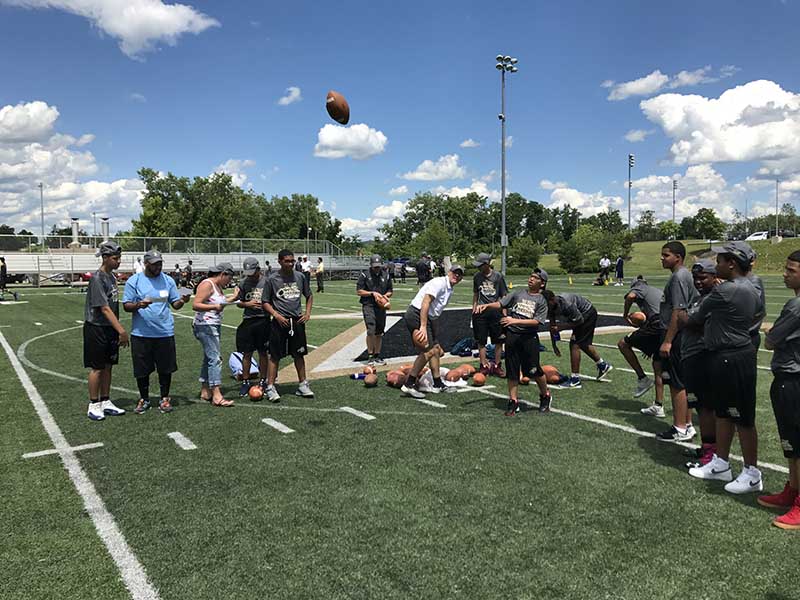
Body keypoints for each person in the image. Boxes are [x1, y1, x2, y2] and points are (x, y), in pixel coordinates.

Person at [687, 242, 761, 494]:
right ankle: (721, 463)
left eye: (719, 260)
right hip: (727, 355)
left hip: (732, 357)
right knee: (724, 412)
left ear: (732, 263)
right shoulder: (749, 286)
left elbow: (695, 316)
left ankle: (751, 472)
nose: (716, 264)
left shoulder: (727, 290)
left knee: (742, 418)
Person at [758, 250, 800, 528]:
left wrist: (771, 333)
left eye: (791, 270)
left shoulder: (795, 306)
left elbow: (770, 341)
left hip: (793, 379)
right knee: (792, 444)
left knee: (797, 443)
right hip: (790, 379)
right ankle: (793, 489)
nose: (784, 274)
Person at [122, 249, 191, 414]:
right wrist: (139, 305)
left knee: (165, 368)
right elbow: (126, 305)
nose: (158, 267)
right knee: (142, 369)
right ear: (146, 264)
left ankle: (164, 398)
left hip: (164, 332)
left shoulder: (168, 280)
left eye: (160, 263)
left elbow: (175, 304)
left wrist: (183, 299)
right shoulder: (135, 281)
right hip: (141, 333)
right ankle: (144, 398)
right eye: (154, 264)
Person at [478, 268, 551, 415]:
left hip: (528, 338)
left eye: (535, 278)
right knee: (512, 370)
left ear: (542, 284)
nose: (531, 279)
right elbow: (501, 303)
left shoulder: (541, 301)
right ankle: (513, 401)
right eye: (531, 276)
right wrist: (487, 305)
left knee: (534, 370)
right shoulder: (518, 293)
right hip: (512, 336)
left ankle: (545, 395)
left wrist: (513, 320)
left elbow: (537, 321)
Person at [655, 241, 699, 442]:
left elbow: (678, 311)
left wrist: (668, 340)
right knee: (680, 381)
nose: (662, 258)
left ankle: (680, 427)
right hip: (680, 334)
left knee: (676, 382)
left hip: (677, 335)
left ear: (678, 257)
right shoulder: (680, 276)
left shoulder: (679, 277)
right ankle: (687, 424)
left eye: (666, 255)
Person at [400, 265, 465, 399]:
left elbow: (435, 313)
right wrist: (423, 326)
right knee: (428, 351)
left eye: (459, 274)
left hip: (427, 317)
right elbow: (425, 302)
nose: (456, 276)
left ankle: (437, 383)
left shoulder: (449, 289)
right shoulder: (439, 283)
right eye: (455, 273)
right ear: (449, 272)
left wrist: (435, 335)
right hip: (417, 314)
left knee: (435, 349)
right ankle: (409, 383)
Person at [680, 260, 719, 468]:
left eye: (703, 277)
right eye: (695, 278)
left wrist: (687, 319)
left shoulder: (714, 298)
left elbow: (690, 321)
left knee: (706, 407)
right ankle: (708, 447)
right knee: (700, 407)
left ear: (715, 276)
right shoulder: (701, 298)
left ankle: (712, 452)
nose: (698, 282)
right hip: (692, 355)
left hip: (703, 355)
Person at [83, 241, 128, 421]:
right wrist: (122, 331)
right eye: (115, 258)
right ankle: (93, 404)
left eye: (119, 258)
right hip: (96, 328)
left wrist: (115, 330)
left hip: (109, 328)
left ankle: (105, 400)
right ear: (105, 258)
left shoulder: (111, 277)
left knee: (109, 366)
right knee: (97, 368)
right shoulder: (97, 278)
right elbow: (104, 308)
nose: (118, 262)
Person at [261, 249, 314, 402]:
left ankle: (303, 384)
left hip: (297, 321)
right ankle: (270, 386)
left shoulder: (300, 276)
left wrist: (308, 313)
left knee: (299, 354)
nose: (290, 263)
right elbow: (265, 302)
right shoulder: (272, 279)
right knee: (275, 355)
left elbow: (309, 295)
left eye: (292, 261)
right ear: (279, 261)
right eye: (287, 261)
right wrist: (276, 315)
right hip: (279, 322)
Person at [543, 290, 612, 388]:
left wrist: (562, 327)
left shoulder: (567, 304)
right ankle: (603, 365)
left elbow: (579, 321)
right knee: (583, 343)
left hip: (587, 313)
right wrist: (554, 345)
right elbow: (552, 326)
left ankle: (575, 379)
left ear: (552, 300)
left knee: (575, 344)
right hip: (579, 316)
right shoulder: (550, 307)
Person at [192, 262, 237, 407]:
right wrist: (213, 307)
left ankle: (205, 390)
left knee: (209, 358)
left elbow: (220, 302)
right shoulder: (207, 284)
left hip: (213, 324)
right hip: (205, 325)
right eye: (229, 278)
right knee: (215, 359)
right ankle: (216, 395)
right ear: (223, 274)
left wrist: (234, 297)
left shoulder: (217, 286)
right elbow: (196, 304)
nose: (229, 282)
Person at [618, 276, 665, 411]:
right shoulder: (654, 290)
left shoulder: (639, 288)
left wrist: (625, 315)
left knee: (623, 344)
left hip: (656, 324)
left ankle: (642, 378)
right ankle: (658, 405)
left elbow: (630, 297)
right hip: (664, 326)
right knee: (658, 366)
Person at [232, 257, 269, 398]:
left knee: (263, 352)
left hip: (263, 320)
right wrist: (247, 304)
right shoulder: (244, 283)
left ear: (258, 269)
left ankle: (263, 380)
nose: (250, 275)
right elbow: (238, 302)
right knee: (246, 353)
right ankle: (246, 381)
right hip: (248, 320)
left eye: (252, 272)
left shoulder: (266, 282)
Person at [471, 252, 508, 377]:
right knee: (481, 340)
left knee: (498, 340)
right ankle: (483, 365)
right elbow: (476, 294)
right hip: (481, 312)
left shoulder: (498, 276)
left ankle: (497, 365)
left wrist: (504, 313)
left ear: (487, 264)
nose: (479, 268)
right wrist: (474, 308)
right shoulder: (477, 277)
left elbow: (503, 295)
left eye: (480, 265)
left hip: (495, 310)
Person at [357, 255, 393, 366]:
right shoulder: (365, 275)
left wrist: (385, 296)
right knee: (370, 330)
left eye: (378, 266)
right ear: (371, 266)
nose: (376, 269)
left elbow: (390, 290)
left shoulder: (386, 275)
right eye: (375, 267)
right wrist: (372, 293)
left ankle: (377, 355)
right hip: (368, 305)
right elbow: (359, 291)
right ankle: (370, 355)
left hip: (380, 307)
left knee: (379, 332)